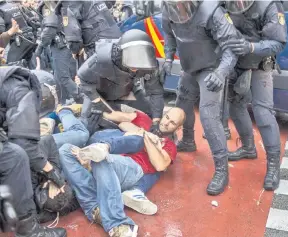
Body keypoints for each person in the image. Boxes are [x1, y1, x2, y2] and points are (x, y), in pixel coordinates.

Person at [58, 106, 185, 236]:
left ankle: (116, 224)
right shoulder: (145, 120)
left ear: (178, 128)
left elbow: (160, 165)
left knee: (102, 158)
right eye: (167, 117)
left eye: (172, 123)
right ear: (163, 115)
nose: (166, 123)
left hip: (132, 168)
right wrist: (142, 132)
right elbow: (123, 123)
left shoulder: (169, 144)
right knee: (65, 150)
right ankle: (96, 210)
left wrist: (147, 139)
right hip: (112, 160)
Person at [161, 0, 240, 195]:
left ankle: (222, 170)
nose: (179, 10)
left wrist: (221, 72)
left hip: (211, 68)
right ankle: (188, 140)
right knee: (181, 106)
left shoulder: (212, 11)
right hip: (190, 66)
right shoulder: (167, 8)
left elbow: (231, 47)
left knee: (208, 116)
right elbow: (169, 36)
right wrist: (168, 58)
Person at [223, 0, 287, 191]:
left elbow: (278, 42)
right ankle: (249, 148)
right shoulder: (225, 3)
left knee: (263, 114)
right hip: (235, 63)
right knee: (235, 107)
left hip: (260, 64)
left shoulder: (269, 5)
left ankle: (274, 166)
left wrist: (251, 48)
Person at [0, 68, 67, 237]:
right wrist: (51, 172)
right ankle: (29, 232)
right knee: (15, 156)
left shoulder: (12, 83)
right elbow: (24, 144)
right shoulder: (23, 91)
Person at [77, 29, 164, 131]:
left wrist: (156, 121)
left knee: (151, 111)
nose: (135, 66)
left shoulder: (149, 64)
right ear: (120, 52)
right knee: (89, 122)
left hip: (126, 88)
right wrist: (96, 102)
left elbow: (156, 93)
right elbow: (83, 78)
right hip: (99, 90)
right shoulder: (104, 57)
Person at [35, 1, 79, 104]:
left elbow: (50, 28)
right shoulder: (57, 3)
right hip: (69, 42)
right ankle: (61, 101)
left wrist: (40, 47)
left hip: (60, 45)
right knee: (59, 76)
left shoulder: (48, 5)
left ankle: (81, 97)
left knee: (63, 77)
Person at [54, 0, 122, 58]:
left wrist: (75, 50)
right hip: (118, 40)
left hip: (99, 47)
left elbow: (73, 34)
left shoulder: (67, 4)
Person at [0, 0, 38, 68]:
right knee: (30, 67)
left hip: (16, 42)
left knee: (11, 67)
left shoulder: (1, 10)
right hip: (29, 38)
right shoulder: (15, 6)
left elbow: (1, 31)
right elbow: (30, 21)